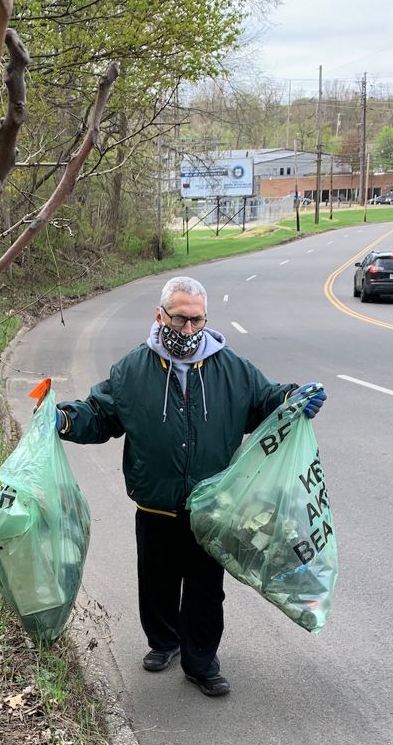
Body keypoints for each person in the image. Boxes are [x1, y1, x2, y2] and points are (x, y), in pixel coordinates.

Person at [53, 276, 326, 698]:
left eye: (196, 320)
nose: (188, 330)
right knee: (156, 581)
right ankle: (163, 643)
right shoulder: (133, 370)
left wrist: (296, 396)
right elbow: (100, 415)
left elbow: (266, 399)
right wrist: (64, 420)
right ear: (159, 316)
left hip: (212, 507)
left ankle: (201, 660)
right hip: (157, 504)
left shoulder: (230, 368)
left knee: (204, 589)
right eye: (179, 319)